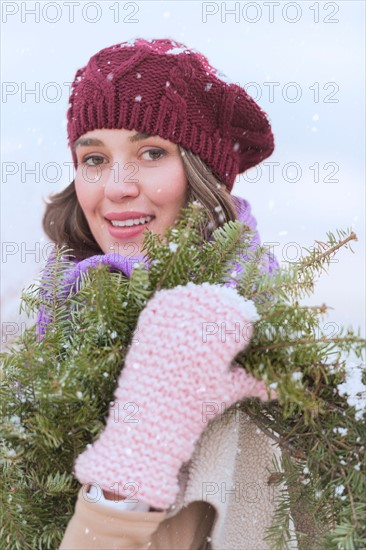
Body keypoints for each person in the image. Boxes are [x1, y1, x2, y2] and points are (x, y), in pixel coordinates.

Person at [39, 37, 301, 549]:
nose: (116, 185)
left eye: (151, 152)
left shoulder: (243, 358)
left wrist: (131, 464)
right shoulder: (31, 330)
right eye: (93, 157)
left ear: (201, 176)